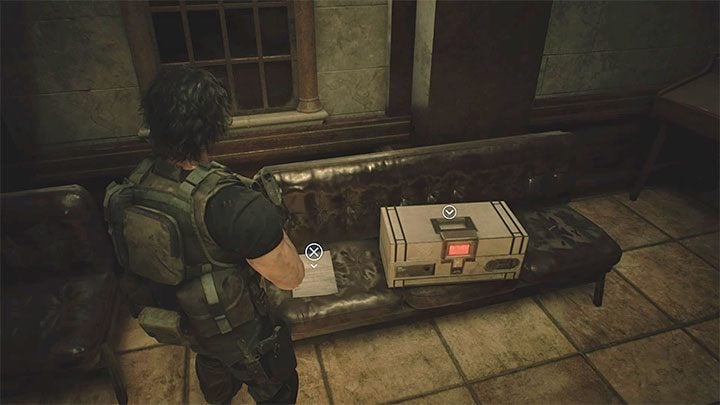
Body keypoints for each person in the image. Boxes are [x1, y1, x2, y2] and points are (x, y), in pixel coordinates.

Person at [104, 66, 305, 404]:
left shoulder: (132, 186)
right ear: (215, 125)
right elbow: (291, 277)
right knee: (277, 383)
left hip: (183, 322)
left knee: (212, 364)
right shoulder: (235, 206)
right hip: (235, 329)